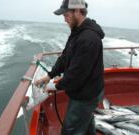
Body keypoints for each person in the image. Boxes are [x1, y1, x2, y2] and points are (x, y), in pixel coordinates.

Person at [35, 0, 105, 134]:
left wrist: (54, 86)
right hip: (85, 89)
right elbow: (65, 57)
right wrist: (49, 75)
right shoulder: (77, 32)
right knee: (86, 121)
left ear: (78, 11)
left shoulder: (88, 38)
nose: (65, 20)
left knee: (70, 130)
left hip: (86, 95)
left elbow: (76, 75)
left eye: (66, 15)